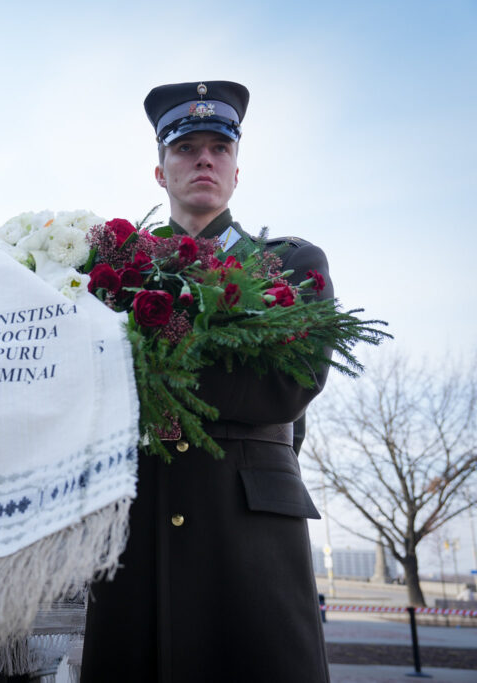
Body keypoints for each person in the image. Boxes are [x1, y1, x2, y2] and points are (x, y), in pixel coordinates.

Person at [81, 81, 332, 682]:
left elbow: (291, 382)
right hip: (136, 523)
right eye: (185, 147)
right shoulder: (102, 274)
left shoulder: (292, 262)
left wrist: (144, 370)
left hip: (246, 531)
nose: (203, 159)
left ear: (237, 171)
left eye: (219, 147)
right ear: (160, 171)